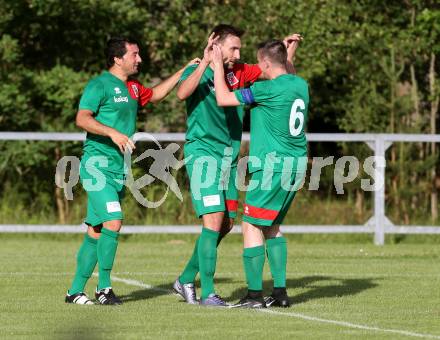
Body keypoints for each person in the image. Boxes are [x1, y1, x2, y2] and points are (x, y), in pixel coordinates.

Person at [173, 24, 300, 306]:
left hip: (228, 157)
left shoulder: (240, 70)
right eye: (234, 48)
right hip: (204, 152)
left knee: (226, 224)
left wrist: (286, 48)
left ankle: (184, 279)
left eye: (240, 48)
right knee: (214, 220)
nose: (238, 53)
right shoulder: (199, 69)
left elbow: (275, 71)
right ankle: (208, 293)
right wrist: (206, 61)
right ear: (216, 45)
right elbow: (182, 93)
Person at [65, 37, 199, 305]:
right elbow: (82, 118)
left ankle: (74, 292)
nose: (139, 59)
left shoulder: (134, 88)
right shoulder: (99, 84)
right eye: (134, 54)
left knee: (96, 230)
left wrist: (185, 70)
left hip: (118, 168)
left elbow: (158, 94)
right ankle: (104, 289)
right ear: (118, 58)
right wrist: (112, 132)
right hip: (96, 165)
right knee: (114, 220)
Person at [212, 38, 309, 308]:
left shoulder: (265, 89)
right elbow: (287, 71)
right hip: (295, 165)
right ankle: (279, 293)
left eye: (260, 63)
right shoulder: (300, 85)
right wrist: (290, 51)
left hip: (272, 167)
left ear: (265, 63)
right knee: (272, 226)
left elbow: (223, 98)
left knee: (251, 224)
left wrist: (218, 65)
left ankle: (254, 296)